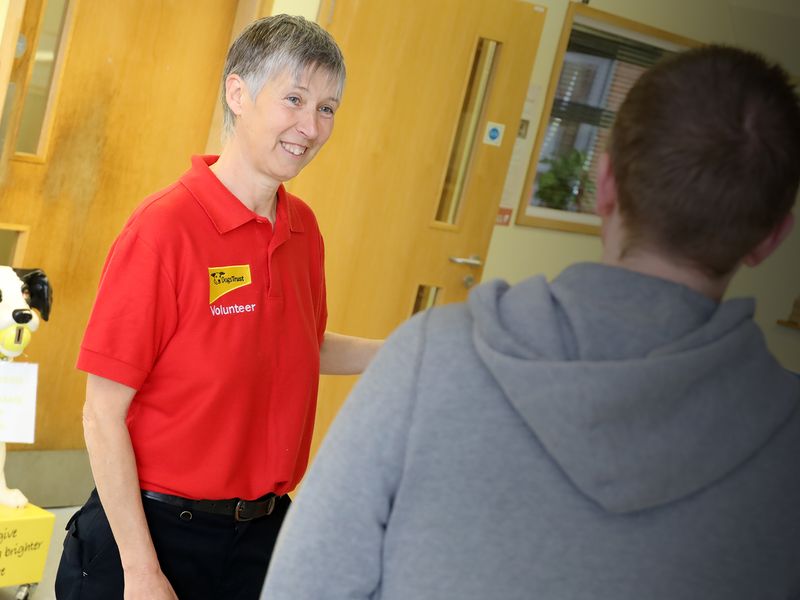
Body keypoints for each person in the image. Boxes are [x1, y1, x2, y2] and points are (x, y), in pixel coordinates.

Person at [261, 45, 800, 599]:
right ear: (773, 238)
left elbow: (307, 584)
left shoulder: (434, 359)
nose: (311, 123)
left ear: (605, 182)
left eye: (326, 106)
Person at [55, 14, 380, 600]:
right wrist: (141, 571)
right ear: (238, 92)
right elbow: (102, 412)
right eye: (294, 99)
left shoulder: (303, 229)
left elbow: (303, 343)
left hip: (260, 534)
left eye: (327, 108)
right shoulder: (164, 229)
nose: (309, 126)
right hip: (154, 535)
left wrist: (411, 352)